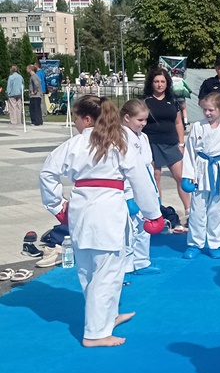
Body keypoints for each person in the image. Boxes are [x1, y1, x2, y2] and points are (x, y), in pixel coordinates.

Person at [39, 95, 162, 347]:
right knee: (108, 271)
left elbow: (47, 172)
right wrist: (153, 213)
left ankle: (107, 318)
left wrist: (57, 205)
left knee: (88, 269)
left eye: (75, 119)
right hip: (107, 210)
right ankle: (95, 333)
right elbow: (141, 179)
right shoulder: (120, 140)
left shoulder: (73, 144)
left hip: (81, 209)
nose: (75, 124)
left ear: (86, 119)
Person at [181, 92, 220, 259]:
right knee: (197, 210)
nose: (207, 113)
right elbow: (190, 151)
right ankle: (195, 244)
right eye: (205, 110)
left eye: (211, 110)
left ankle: (215, 243)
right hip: (201, 169)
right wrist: (187, 175)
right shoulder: (197, 126)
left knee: (217, 210)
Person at [142, 67, 191, 230]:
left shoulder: (173, 101)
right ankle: (157, 212)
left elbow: (178, 123)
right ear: (151, 83)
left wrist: (181, 143)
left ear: (167, 83)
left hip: (171, 143)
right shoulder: (145, 101)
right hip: (151, 143)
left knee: (181, 177)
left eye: (162, 81)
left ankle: (189, 210)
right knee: (155, 178)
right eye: (156, 81)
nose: (159, 84)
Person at [120, 99, 161, 276]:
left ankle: (142, 261)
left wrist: (154, 192)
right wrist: (129, 196)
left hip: (145, 184)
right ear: (126, 117)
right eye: (140, 120)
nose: (143, 124)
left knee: (145, 224)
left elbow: (148, 165)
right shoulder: (119, 136)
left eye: (145, 120)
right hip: (128, 187)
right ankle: (127, 264)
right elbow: (124, 169)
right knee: (128, 229)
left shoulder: (143, 137)